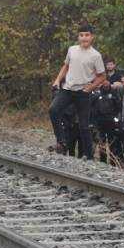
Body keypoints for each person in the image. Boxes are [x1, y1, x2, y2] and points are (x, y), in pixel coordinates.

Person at [48, 25, 106, 159]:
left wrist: (91, 87)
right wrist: (57, 80)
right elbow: (66, 66)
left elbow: (102, 76)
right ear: (78, 37)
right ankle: (62, 143)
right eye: (81, 35)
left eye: (87, 35)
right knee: (53, 110)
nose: (84, 38)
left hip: (83, 92)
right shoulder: (72, 50)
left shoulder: (95, 55)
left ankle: (89, 156)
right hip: (68, 89)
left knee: (84, 126)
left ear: (92, 37)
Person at [91, 80, 122, 164]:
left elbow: (119, 107)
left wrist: (116, 119)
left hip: (111, 120)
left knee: (112, 141)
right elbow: (91, 104)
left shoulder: (114, 94)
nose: (105, 85)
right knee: (101, 140)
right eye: (104, 84)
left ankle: (113, 161)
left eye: (107, 84)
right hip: (99, 121)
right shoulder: (97, 94)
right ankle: (103, 160)